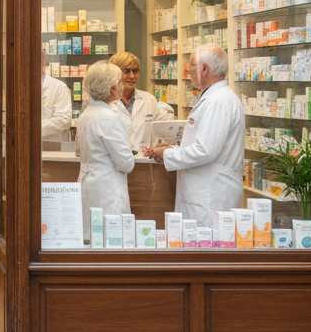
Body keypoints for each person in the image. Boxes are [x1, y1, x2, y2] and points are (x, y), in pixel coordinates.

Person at [143, 43, 244, 228]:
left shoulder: (218, 101)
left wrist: (166, 155)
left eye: (190, 64)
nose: (187, 69)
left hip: (211, 196)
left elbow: (205, 150)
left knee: (208, 252)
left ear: (204, 69)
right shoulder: (212, 98)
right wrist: (171, 149)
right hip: (204, 193)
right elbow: (203, 144)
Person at [76, 61, 135, 226]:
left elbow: (79, 151)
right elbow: (126, 164)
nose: (123, 86)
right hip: (108, 190)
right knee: (110, 239)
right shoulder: (110, 118)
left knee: (91, 235)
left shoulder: (86, 115)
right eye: (120, 82)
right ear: (113, 89)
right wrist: (130, 153)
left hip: (88, 184)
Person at [108, 51, 176, 151]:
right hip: (115, 163)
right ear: (114, 73)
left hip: (144, 161)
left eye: (135, 71)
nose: (132, 76)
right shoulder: (106, 101)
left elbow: (161, 134)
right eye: (126, 71)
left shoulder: (149, 99)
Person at [42, 48, 73, 147]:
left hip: (52, 147)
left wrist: (32, 127)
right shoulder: (18, 87)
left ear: (45, 64)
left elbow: (64, 120)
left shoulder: (59, 87)